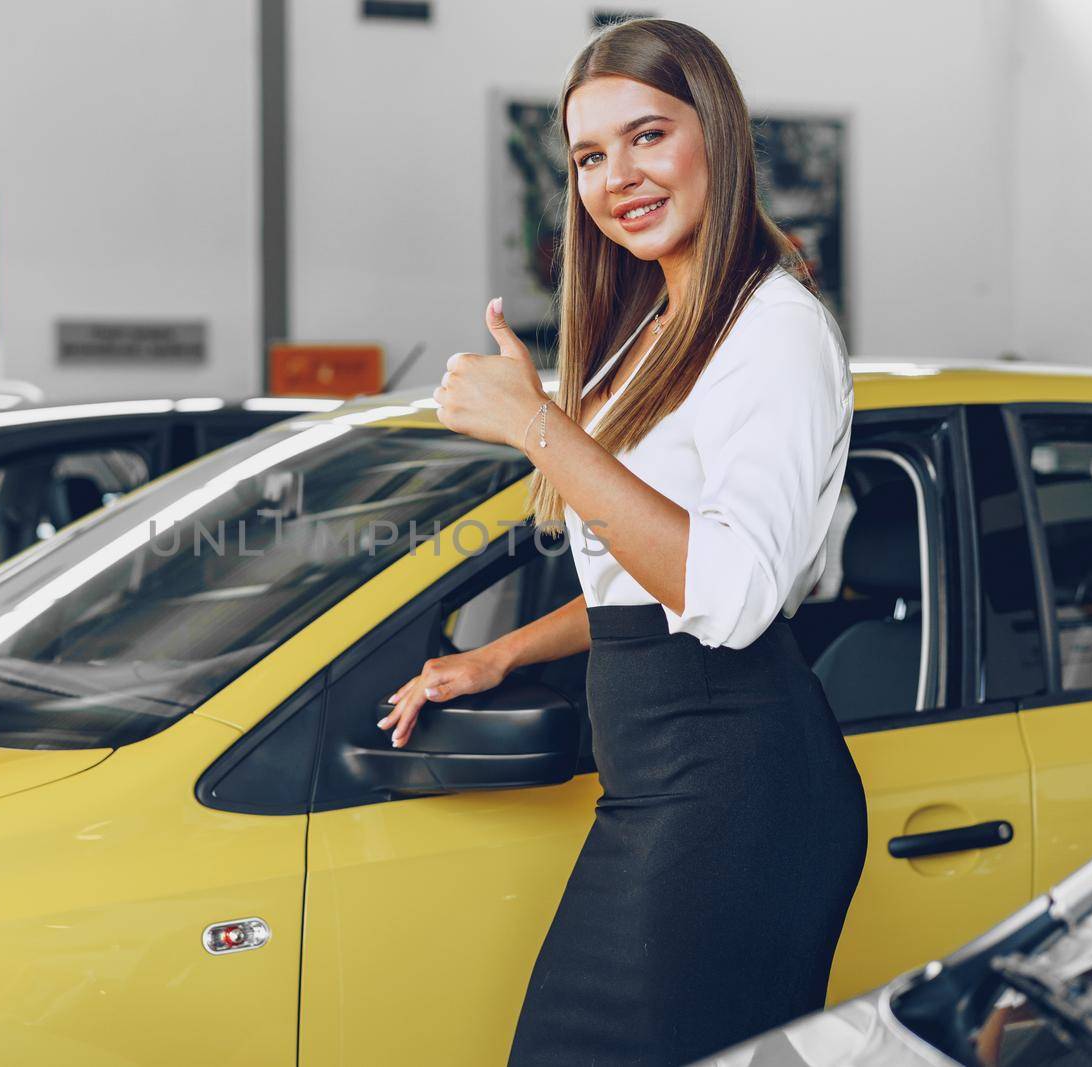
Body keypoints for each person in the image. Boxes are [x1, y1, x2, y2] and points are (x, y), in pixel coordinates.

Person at [377, 17, 868, 1067]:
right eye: (590, 155)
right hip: (662, 777)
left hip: (738, 787)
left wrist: (536, 427)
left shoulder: (769, 327)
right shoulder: (659, 328)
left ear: (717, 138)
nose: (617, 176)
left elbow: (729, 595)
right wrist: (499, 654)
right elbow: (644, 574)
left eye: (647, 135)